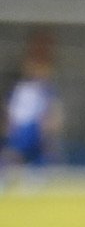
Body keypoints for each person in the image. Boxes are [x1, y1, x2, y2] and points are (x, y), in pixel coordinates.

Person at [3, 33, 63, 188]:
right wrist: (10, 124)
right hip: (22, 124)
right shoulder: (20, 88)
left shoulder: (45, 89)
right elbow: (11, 108)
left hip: (34, 124)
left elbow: (50, 108)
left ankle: (37, 178)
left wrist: (50, 122)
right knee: (15, 152)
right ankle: (6, 177)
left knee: (41, 151)